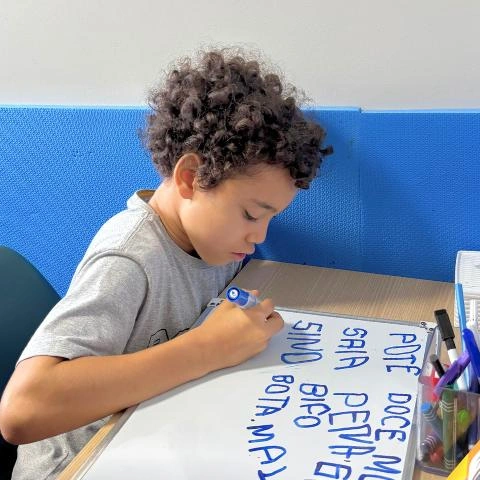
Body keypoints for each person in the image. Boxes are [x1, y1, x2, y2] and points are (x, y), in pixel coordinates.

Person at [0, 48, 331, 479]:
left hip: (155, 436)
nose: (260, 237)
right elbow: (23, 411)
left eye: (271, 218)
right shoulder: (129, 259)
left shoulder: (211, 238)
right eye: (252, 214)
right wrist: (206, 349)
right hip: (75, 464)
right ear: (191, 178)